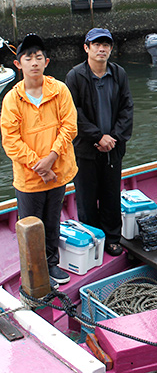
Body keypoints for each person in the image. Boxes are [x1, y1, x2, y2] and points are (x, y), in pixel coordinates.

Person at [1, 34, 78, 285]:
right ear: (18, 64)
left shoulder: (60, 90)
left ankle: (52, 264)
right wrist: (40, 166)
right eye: (28, 58)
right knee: (31, 226)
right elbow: (11, 141)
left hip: (57, 173)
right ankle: (33, 275)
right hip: (29, 179)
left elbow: (70, 126)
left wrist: (52, 157)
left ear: (47, 61)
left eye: (38, 57)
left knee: (53, 220)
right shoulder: (12, 99)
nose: (34, 62)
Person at [65, 28, 134, 257]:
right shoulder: (75, 76)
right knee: (85, 197)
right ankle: (92, 239)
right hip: (86, 149)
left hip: (113, 148)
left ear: (111, 49)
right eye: (96, 44)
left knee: (111, 195)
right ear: (87, 48)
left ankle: (113, 238)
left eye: (106, 45)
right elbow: (73, 113)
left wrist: (114, 137)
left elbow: (127, 107)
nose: (101, 49)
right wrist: (97, 136)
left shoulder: (118, 73)